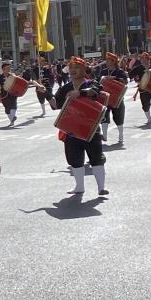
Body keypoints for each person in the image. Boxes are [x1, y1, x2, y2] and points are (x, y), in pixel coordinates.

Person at [52, 57, 108, 197]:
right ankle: (79, 186)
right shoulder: (65, 88)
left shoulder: (91, 83)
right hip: (72, 129)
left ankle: (101, 187)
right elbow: (55, 105)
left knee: (96, 157)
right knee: (74, 159)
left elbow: (95, 91)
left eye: (76, 68)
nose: (73, 70)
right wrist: (44, 93)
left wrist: (80, 93)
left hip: (90, 128)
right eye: (71, 68)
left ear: (83, 70)